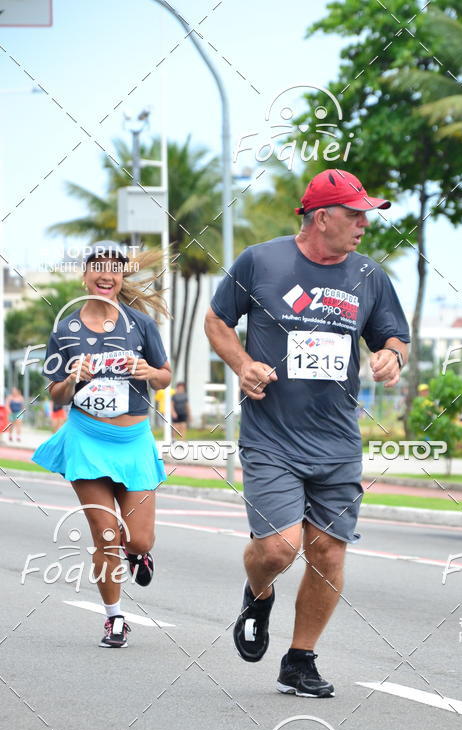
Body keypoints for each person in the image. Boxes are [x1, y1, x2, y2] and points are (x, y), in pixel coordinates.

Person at [205, 169, 410, 698]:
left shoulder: (368, 275)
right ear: (321, 218)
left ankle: (299, 660)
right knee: (278, 549)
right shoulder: (261, 261)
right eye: (355, 214)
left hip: (338, 442)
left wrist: (391, 356)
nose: (364, 224)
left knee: (328, 553)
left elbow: (393, 337)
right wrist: (243, 364)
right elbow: (217, 321)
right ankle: (258, 594)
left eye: (366, 214)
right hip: (272, 437)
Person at [33, 241, 171, 648]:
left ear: (122, 277)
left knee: (138, 539)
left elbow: (165, 376)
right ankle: (114, 618)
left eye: (115, 268)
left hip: (133, 441)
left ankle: (138, 554)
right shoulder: (65, 330)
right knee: (106, 534)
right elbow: (56, 396)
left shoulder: (141, 324)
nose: (106, 274)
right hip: (87, 440)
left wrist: (149, 372)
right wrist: (73, 378)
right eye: (98, 267)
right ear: (85, 276)